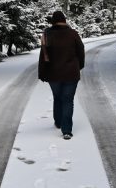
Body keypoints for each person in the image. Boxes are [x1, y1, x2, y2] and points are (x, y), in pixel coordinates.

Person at [38, 10, 85, 140]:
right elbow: (81, 51)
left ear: (53, 21)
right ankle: (67, 130)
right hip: (71, 73)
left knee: (57, 97)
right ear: (64, 20)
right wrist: (78, 66)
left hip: (53, 74)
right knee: (68, 100)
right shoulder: (73, 34)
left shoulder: (47, 34)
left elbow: (43, 54)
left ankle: (58, 122)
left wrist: (42, 72)